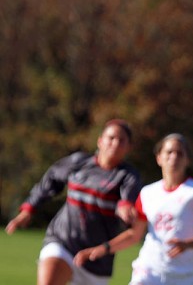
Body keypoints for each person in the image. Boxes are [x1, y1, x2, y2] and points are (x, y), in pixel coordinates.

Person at [5, 119, 142, 285]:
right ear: (100, 140)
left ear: (129, 147)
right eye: (111, 138)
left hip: (96, 257)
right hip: (62, 241)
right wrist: (28, 209)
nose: (115, 143)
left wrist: (125, 208)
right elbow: (51, 180)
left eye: (121, 141)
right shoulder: (79, 163)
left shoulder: (128, 175)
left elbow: (128, 198)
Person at [74, 133, 193, 285]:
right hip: (148, 271)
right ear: (159, 158)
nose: (174, 157)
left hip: (183, 275)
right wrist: (103, 248)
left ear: (187, 160)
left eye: (180, 153)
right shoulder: (148, 192)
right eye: (169, 152)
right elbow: (134, 234)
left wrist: (187, 244)